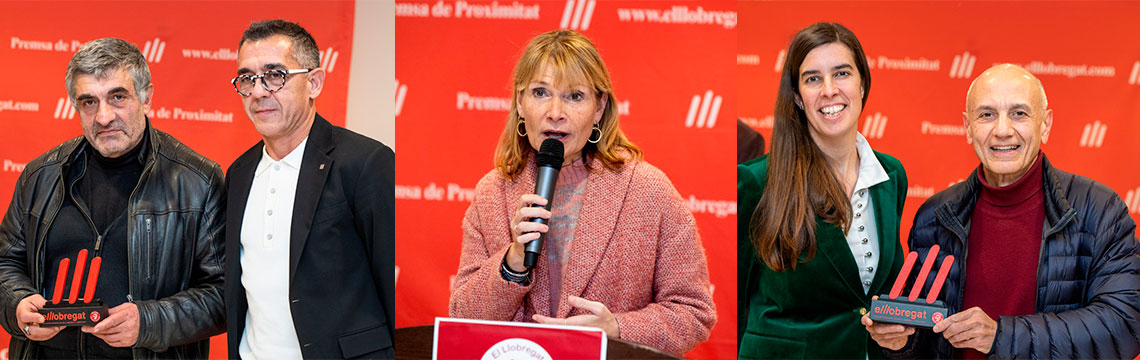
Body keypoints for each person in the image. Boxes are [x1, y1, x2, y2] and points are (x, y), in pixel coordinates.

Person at [448, 29, 716, 355]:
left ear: (599, 107)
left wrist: (616, 328)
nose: (556, 112)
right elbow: (462, 316)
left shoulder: (649, 190)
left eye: (575, 96)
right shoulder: (492, 193)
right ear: (520, 102)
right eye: (540, 92)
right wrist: (512, 261)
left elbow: (694, 312)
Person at [864, 64, 1140, 359]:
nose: (1003, 130)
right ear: (968, 127)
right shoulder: (934, 217)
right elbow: (925, 342)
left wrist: (1002, 337)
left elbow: (1125, 324)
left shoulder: (1100, 210)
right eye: (986, 115)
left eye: (1019, 113)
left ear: (1045, 124)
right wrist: (901, 342)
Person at [0, 38, 225, 359]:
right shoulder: (41, 175)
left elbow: (223, 293)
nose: (104, 117)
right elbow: (5, 263)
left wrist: (148, 322)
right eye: (89, 102)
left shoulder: (197, 180)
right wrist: (17, 304)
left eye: (117, 97)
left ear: (146, 96)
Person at [223, 20, 395, 359]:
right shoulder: (238, 174)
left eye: (275, 75)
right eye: (247, 79)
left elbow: (388, 282)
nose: (258, 92)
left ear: (314, 82)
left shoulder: (365, 162)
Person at [738, 22, 908, 359]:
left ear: (862, 84)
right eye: (813, 78)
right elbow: (739, 299)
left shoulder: (891, 175)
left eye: (842, 73)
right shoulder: (758, 181)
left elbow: (876, 296)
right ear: (798, 97)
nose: (829, 90)